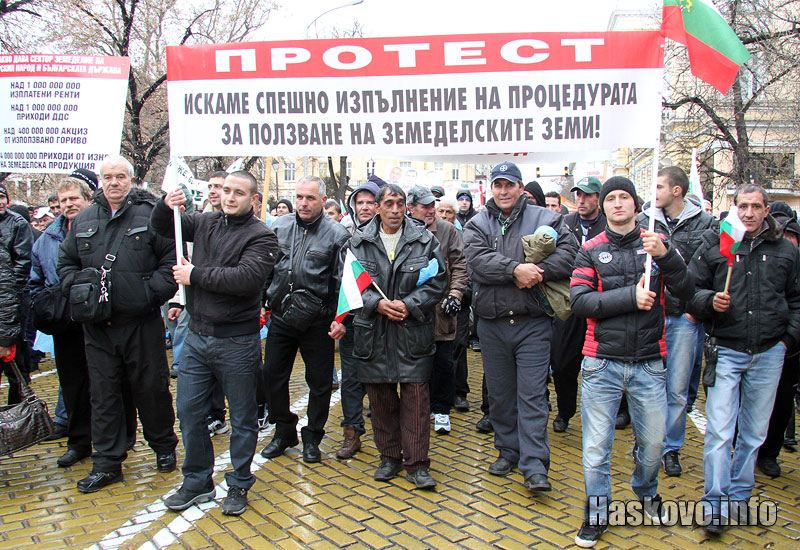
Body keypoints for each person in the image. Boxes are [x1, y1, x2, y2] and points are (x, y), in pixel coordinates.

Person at [570, 177, 694, 547]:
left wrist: (666, 257)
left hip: (649, 364)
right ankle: (596, 512)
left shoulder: (656, 244)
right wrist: (629, 297)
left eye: (625, 197)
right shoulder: (589, 249)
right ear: (603, 206)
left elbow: (686, 290)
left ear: (636, 205)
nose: (618, 203)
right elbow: (579, 302)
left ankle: (645, 488)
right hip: (600, 364)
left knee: (654, 444)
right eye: (611, 198)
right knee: (595, 449)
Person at [154, 171, 278, 516]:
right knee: (190, 412)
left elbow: (246, 278)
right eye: (225, 190)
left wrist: (195, 275)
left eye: (238, 193)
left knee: (242, 417)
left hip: (237, 341)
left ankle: (239, 482)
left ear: (253, 199)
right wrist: (167, 205)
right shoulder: (207, 222)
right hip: (197, 337)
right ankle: (196, 481)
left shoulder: (262, 236)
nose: (229, 197)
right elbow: (167, 226)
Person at [58, 155, 179, 493]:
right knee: (104, 394)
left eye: (120, 176)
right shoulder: (83, 219)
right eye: (107, 176)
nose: (114, 182)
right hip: (97, 326)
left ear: (131, 179)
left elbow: (170, 261)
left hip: (140, 322)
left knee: (151, 389)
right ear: (100, 180)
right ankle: (108, 462)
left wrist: (145, 295)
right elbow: (66, 262)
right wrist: (78, 291)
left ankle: (164, 446)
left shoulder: (151, 214)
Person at [688, 184, 800, 534]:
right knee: (720, 432)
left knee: (753, 433)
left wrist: (787, 340)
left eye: (756, 206)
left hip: (769, 352)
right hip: (727, 350)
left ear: (767, 210)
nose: (749, 213)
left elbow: (797, 299)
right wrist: (709, 302)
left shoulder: (785, 250)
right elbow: (690, 291)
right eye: (742, 206)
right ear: (734, 209)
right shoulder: (719, 244)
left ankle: (739, 497)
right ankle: (715, 505)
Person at [463, 161, 576, 493]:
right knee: (499, 396)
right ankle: (508, 451)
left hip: (533, 324)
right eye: (498, 185)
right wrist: (515, 270)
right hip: (493, 325)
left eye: (509, 185)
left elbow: (570, 254)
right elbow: (477, 261)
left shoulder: (546, 218)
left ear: (520, 187)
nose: (503, 191)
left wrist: (536, 271)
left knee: (532, 396)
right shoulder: (477, 222)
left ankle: (535, 466)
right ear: (492, 188)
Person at [30, 176, 137, 467]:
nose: (68, 205)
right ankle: (78, 441)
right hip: (66, 322)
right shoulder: (46, 238)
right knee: (73, 384)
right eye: (63, 201)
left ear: (88, 199)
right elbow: (36, 279)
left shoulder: (102, 228)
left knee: (113, 381)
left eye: (73, 199)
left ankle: (123, 435)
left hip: (103, 318)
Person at [348, 184, 447, 488]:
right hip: (373, 335)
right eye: (388, 203)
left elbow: (438, 281)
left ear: (407, 207)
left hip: (412, 333)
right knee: (381, 401)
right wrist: (375, 304)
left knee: (416, 403)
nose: (394, 209)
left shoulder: (424, 240)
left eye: (400, 203)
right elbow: (348, 287)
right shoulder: (357, 243)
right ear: (377, 207)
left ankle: (417, 464)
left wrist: (409, 304)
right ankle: (389, 458)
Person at [262, 176, 350, 463]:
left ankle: (313, 436)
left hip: (318, 320)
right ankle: (284, 430)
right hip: (281, 317)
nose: (303, 203)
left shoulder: (337, 234)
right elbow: (266, 269)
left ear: (323, 201)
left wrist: (340, 318)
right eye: (299, 196)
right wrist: (261, 303)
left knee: (320, 382)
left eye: (310, 198)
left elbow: (342, 281)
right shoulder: (279, 227)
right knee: (272, 376)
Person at [637, 166, 716, 477]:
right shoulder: (645, 220)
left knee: (677, 389)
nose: (653, 192)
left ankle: (670, 448)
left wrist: (694, 309)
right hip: (649, 314)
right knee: (645, 383)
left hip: (684, 318)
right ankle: (645, 443)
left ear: (677, 191)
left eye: (659, 186)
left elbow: (708, 272)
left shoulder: (706, 224)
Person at [407, 185, 467, 435]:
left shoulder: (448, 230)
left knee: (443, 363)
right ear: (412, 208)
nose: (431, 210)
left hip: (441, 311)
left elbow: (460, 265)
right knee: (416, 365)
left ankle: (442, 409)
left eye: (433, 205)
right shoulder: (402, 230)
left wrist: (455, 294)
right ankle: (419, 409)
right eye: (425, 206)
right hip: (411, 310)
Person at [550, 176, 606, 434]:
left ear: (598, 198)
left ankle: (612, 412)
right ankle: (565, 410)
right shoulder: (565, 223)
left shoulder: (608, 225)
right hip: (570, 303)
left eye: (587, 195)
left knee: (606, 364)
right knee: (562, 363)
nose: (581, 200)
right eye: (578, 195)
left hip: (602, 304)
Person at [335, 178, 381, 459]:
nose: (364, 207)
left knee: (382, 379)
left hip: (383, 319)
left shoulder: (393, 233)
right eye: (359, 202)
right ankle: (352, 432)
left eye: (369, 202)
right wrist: (338, 317)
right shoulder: (344, 237)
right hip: (353, 320)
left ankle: (389, 434)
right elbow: (338, 280)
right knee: (351, 379)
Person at [757, 202, 800, 478]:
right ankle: (756, 449)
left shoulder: (792, 256)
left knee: (782, 401)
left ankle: (770, 453)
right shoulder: (762, 248)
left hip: (789, 345)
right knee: (755, 399)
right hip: (760, 337)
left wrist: (789, 337)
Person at [0, 182, 33, 405]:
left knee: (16, 365)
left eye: (2, 196)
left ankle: (20, 413)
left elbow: (23, 263)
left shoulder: (17, 223)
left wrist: (11, 289)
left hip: (11, 302)